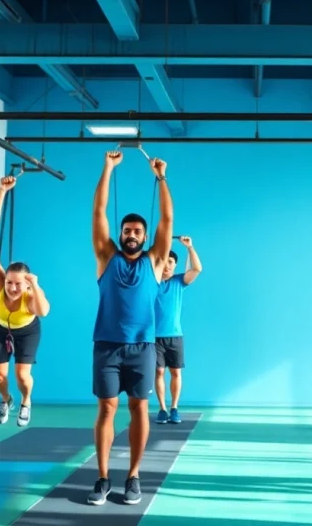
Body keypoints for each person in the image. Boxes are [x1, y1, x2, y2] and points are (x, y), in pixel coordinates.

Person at [87, 150, 173, 507]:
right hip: (107, 346)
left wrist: (161, 177)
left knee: (139, 409)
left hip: (142, 348)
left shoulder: (155, 261)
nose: (133, 234)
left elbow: (167, 219)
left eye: (138, 231)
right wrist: (107, 168)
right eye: (128, 230)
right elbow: (98, 213)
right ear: (121, 235)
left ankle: (134, 475)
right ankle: (103, 477)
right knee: (107, 409)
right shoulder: (106, 257)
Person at [0, 175, 50, 427]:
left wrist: (35, 284)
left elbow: (43, 312)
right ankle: (7, 399)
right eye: (9, 282)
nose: (12, 287)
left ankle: (25, 401)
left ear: (26, 284)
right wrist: (1, 191)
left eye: (18, 284)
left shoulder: (31, 295)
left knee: (22, 375)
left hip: (26, 332)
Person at [155, 235, 203, 424]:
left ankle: (174, 408)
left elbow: (197, 268)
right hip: (154, 337)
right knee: (158, 372)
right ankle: (162, 409)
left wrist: (189, 248)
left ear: (175, 265)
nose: (167, 265)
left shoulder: (178, 282)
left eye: (171, 262)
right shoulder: (150, 281)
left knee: (175, 372)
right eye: (164, 261)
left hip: (175, 336)